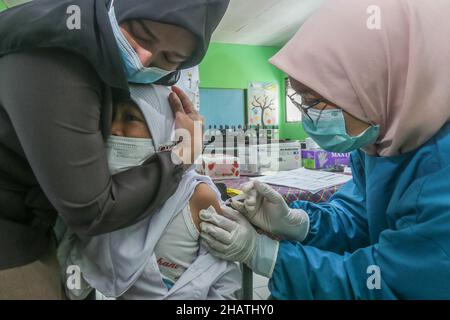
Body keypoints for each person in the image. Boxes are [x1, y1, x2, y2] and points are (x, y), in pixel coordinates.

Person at [199, 0, 450, 299]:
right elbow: (358, 217)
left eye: (314, 100)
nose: (308, 115)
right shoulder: (378, 138)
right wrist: (298, 223)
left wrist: (264, 254)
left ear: (373, 80)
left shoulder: (440, 168)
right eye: (299, 99)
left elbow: (389, 283)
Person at [0, 0, 229, 299]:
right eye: (141, 35)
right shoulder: (58, 53)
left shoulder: (197, 195)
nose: (145, 60)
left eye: (171, 57)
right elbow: (92, 210)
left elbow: (222, 278)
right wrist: (181, 154)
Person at [58, 84, 242, 300]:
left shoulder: (196, 196)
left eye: (130, 118)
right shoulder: (104, 195)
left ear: (163, 125)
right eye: (110, 117)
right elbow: (79, 270)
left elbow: (221, 278)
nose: (114, 129)